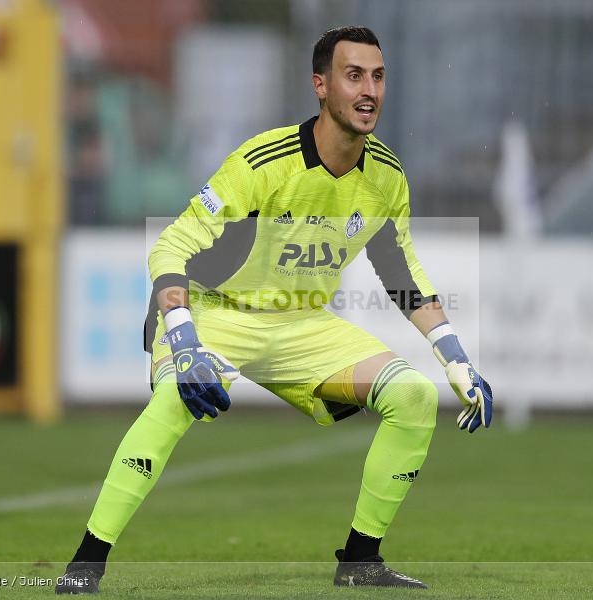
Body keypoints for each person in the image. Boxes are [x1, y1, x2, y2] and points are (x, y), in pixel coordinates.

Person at [56, 26, 492, 594]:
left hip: (300, 325)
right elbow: (171, 247)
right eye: (353, 75)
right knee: (172, 400)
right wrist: (185, 341)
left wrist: (455, 359)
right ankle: (85, 564)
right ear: (320, 85)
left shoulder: (386, 177)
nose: (369, 91)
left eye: (378, 77)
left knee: (412, 397)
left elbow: (404, 278)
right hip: (213, 313)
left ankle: (360, 561)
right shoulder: (263, 162)